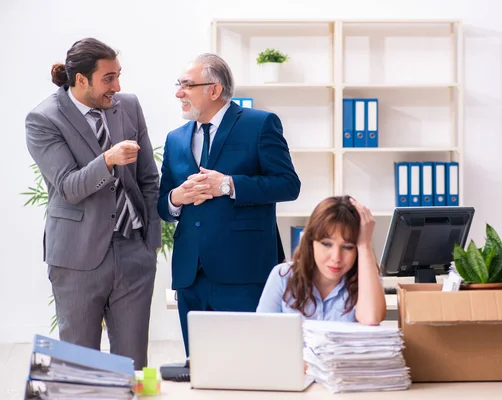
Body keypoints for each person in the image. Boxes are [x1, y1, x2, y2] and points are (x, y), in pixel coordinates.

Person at [25, 38, 161, 369]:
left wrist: (150, 244)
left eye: (118, 75)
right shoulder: (44, 119)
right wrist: (109, 160)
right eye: (108, 78)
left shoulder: (128, 106)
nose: (117, 86)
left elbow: (148, 179)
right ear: (81, 79)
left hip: (133, 252)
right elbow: (69, 187)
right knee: (81, 366)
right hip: (77, 257)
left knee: (132, 365)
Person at [157, 53, 301, 356]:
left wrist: (228, 185)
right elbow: (163, 205)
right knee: (200, 365)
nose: (178, 93)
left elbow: (288, 185)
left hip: (244, 273)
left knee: (248, 365)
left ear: (214, 89)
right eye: (178, 85)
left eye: (186, 86)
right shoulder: (175, 139)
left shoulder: (260, 124)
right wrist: (176, 198)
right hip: (190, 277)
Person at [256, 196, 386, 325]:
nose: (336, 258)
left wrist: (365, 244)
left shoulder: (366, 277)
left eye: (347, 247)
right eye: (327, 244)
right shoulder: (283, 276)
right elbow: (262, 334)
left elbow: (371, 318)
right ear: (311, 242)